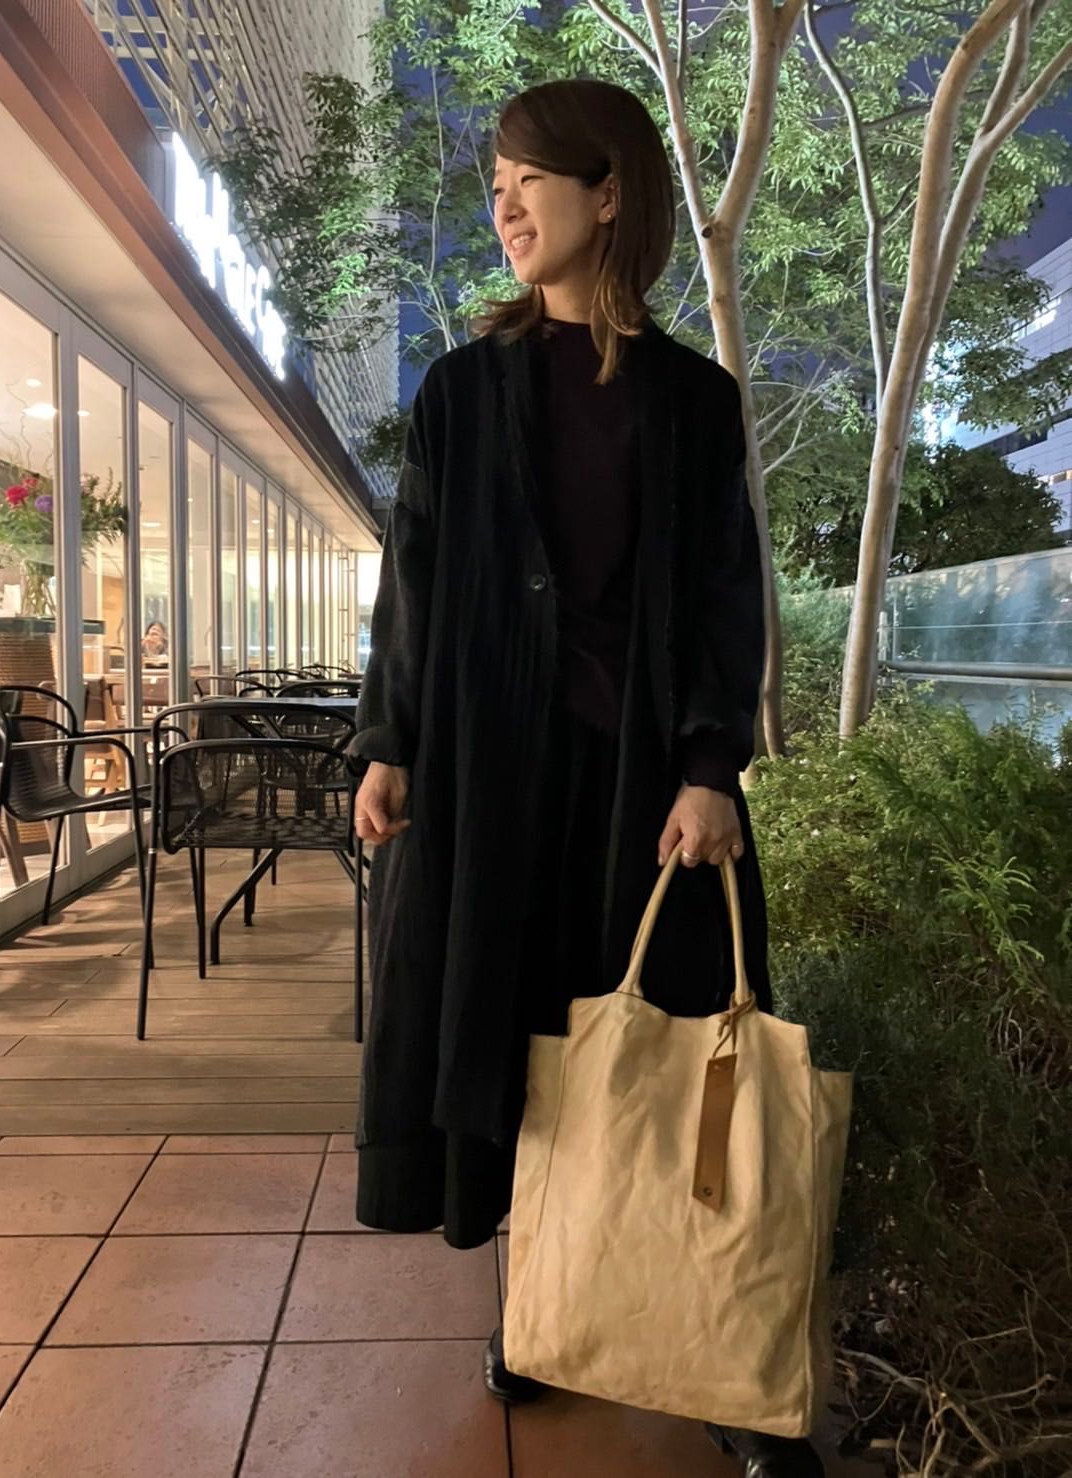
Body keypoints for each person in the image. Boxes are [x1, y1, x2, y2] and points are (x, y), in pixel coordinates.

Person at [348, 79, 823, 1478]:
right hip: (494, 784)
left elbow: (727, 595)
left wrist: (710, 764)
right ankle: (546, 1308)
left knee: (671, 1054)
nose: (504, 207)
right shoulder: (460, 394)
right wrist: (388, 742)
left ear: (608, 194)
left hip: (646, 797)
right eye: (495, 185)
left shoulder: (693, 402)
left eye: (529, 182)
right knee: (520, 1047)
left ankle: (724, 1362)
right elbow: (412, 583)